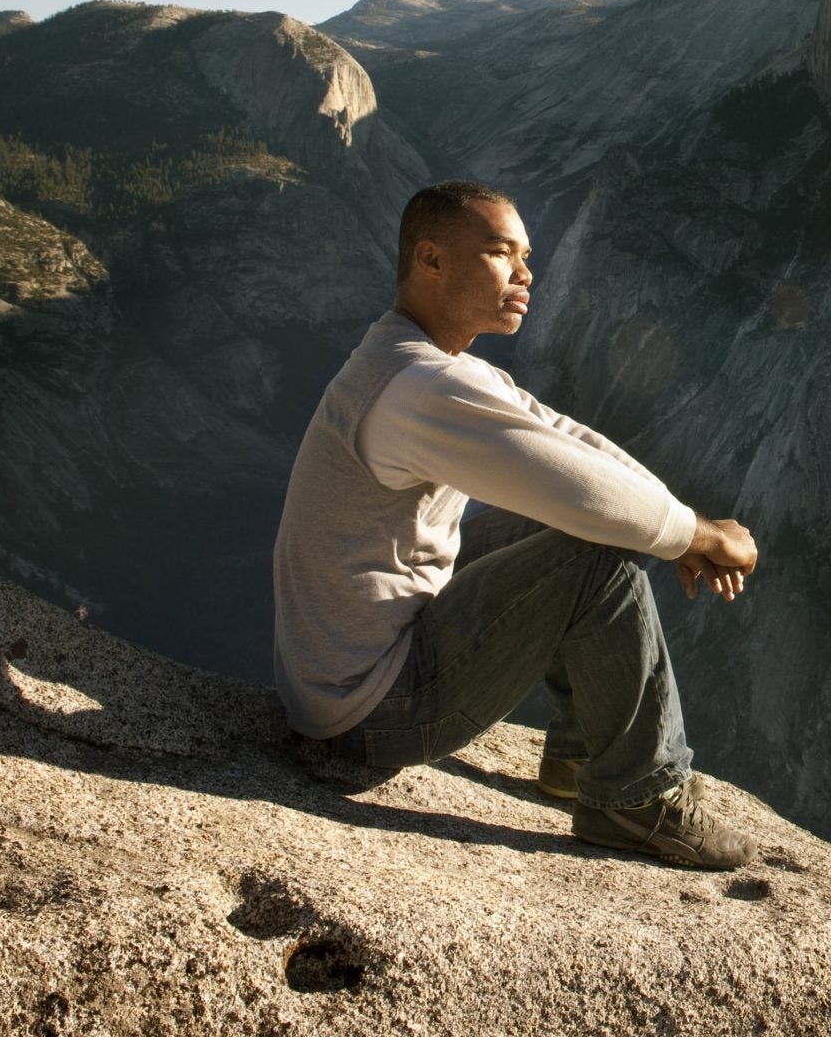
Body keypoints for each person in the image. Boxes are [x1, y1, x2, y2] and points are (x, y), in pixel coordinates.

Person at [271, 179, 760, 869]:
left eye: (525, 255)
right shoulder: (418, 387)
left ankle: (580, 755)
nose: (526, 273)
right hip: (368, 712)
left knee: (580, 525)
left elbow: (564, 440)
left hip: (339, 687)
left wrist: (684, 523)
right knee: (595, 554)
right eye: (502, 253)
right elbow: (582, 490)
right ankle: (637, 797)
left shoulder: (415, 359)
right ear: (432, 259)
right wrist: (699, 537)